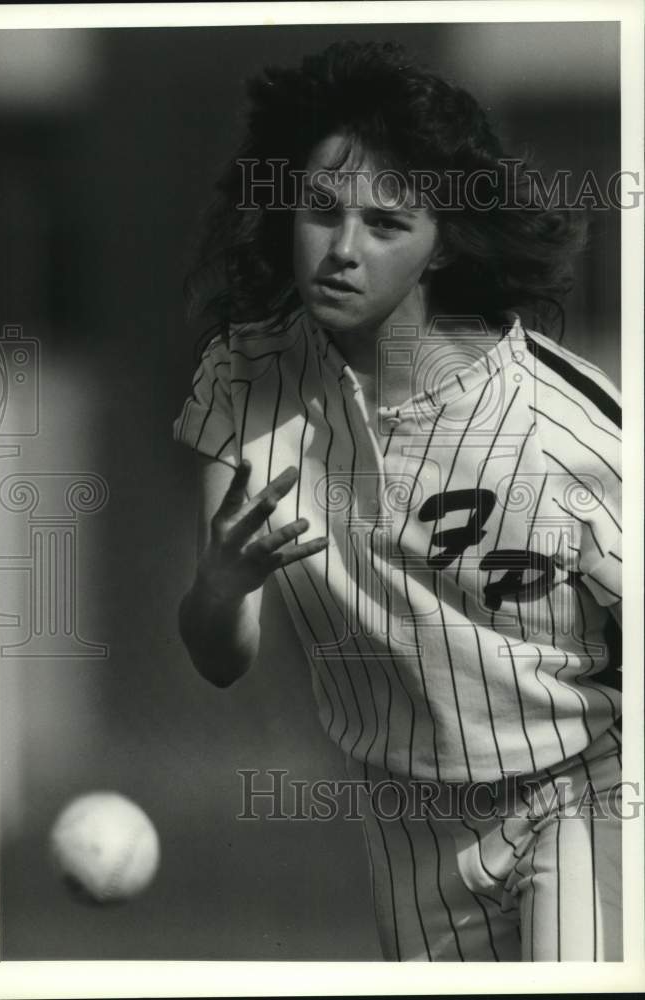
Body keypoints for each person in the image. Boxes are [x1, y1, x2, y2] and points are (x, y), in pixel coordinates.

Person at [173, 41, 622, 961]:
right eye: (321, 211)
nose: (343, 249)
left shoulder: (562, 428)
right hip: (408, 825)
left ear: (442, 242)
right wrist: (218, 585)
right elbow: (221, 658)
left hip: (581, 794)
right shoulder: (242, 383)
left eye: (385, 223)